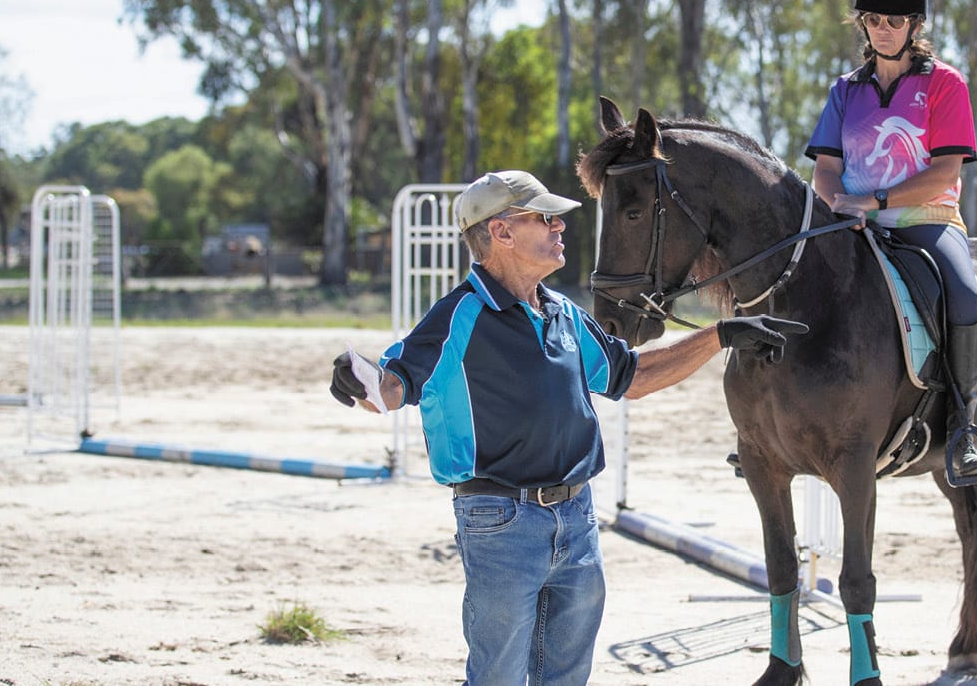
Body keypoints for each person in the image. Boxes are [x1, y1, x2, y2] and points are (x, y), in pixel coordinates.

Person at [328, 169, 805, 686]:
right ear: (501, 233)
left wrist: (722, 334)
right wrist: (359, 379)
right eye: (545, 218)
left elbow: (633, 377)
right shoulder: (457, 314)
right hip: (499, 524)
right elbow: (393, 386)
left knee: (566, 679)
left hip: (579, 520)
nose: (560, 227)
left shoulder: (564, 313)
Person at [803, 0, 977, 486]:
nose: (883, 28)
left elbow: (946, 171)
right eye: (873, 19)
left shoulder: (945, 85)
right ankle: (775, 426)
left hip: (926, 219)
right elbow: (825, 168)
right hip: (854, 222)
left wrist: (875, 199)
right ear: (861, 23)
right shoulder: (846, 90)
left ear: (915, 26)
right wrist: (842, 203)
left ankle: (964, 429)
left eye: (894, 19)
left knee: (963, 295)